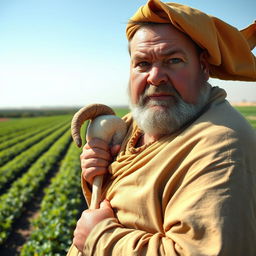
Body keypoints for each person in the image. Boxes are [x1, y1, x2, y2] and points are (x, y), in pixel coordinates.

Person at [69, 0, 256, 255]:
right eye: (143, 64)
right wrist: (97, 172)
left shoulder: (221, 146)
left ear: (203, 67)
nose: (155, 77)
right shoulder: (137, 125)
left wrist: (99, 237)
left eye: (173, 60)